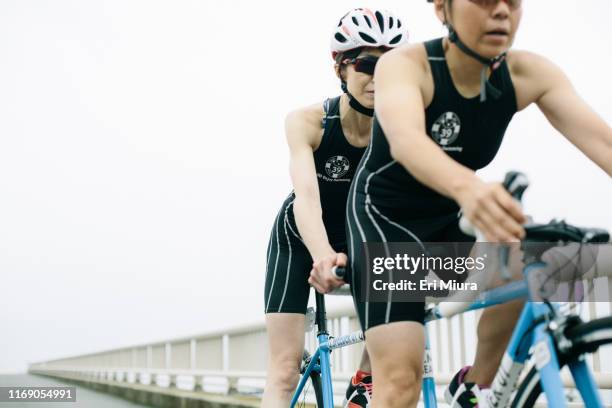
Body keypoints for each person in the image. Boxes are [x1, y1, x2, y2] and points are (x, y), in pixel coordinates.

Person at [309, 0, 612, 407]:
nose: (501, 12)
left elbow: (605, 145)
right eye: (485, 0)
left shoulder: (529, 74)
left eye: (512, 1)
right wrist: (470, 189)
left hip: (448, 222)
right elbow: (407, 141)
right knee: (400, 381)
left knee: (527, 261)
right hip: (385, 224)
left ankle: (475, 387)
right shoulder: (407, 66)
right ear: (442, 9)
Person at [262, 8, 409, 408]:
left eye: (391, 64)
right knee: (283, 370)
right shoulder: (308, 122)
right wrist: (324, 255)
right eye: (366, 64)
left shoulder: (402, 130)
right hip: (299, 238)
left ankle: (364, 378)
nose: (378, 76)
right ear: (340, 68)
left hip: (359, 236)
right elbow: (307, 200)